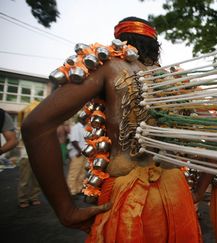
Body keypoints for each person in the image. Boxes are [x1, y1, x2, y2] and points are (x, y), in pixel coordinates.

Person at [22, 17, 201, 242]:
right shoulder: (174, 81)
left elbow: (36, 125)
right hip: (177, 194)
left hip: (128, 196)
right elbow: (211, 134)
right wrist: (198, 191)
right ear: (156, 45)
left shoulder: (109, 66)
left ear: (120, 41)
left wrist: (66, 210)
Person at [16, 103, 42, 208]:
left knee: (37, 179)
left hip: (39, 156)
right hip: (26, 155)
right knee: (25, 179)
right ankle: (22, 199)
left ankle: (34, 197)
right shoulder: (24, 127)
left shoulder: (41, 127)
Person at [66, 118, 86, 197]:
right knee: (74, 173)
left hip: (84, 153)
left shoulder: (84, 127)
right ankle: (71, 191)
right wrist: (79, 151)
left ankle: (78, 189)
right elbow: (73, 140)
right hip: (77, 153)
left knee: (82, 172)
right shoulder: (76, 127)